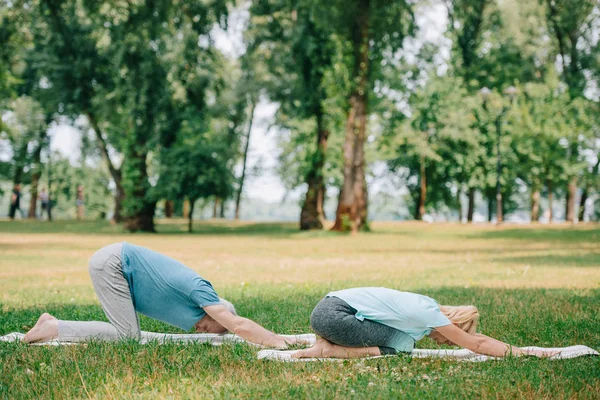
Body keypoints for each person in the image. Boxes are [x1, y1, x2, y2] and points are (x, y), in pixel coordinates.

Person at [24, 242, 298, 349]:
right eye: (217, 329)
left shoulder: (195, 304)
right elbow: (238, 325)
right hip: (114, 263)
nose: (202, 330)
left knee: (128, 333)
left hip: (115, 263)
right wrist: (275, 341)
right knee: (128, 337)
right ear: (219, 315)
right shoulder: (202, 292)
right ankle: (53, 327)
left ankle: (51, 323)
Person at [293, 287, 559, 359]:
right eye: (453, 335)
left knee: (403, 341)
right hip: (335, 315)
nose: (450, 341)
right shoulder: (430, 316)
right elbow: (476, 343)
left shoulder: (425, 305)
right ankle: (328, 349)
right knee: (403, 346)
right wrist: (521, 352)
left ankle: (326, 343)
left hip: (327, 310)